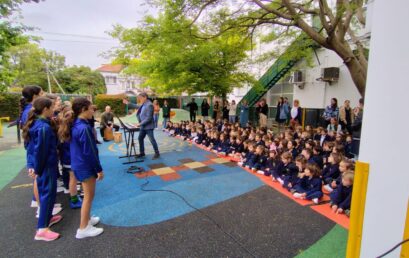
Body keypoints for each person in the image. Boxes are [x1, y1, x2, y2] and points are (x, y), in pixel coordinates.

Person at [59, 97, 104, 239]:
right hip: (85, 166)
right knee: (89, 197)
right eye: (91, 109)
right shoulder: (83, 128)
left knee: (87, 196)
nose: (93, 111)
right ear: (84, 110)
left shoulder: (77, 124)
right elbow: (89, 151)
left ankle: (87, 220)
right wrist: (98, 169)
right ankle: (83, 228)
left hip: (79, 164)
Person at [24, 97, 62, 241]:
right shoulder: (44, 127)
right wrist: (37, 169)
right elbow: (41, 151)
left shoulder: (35, 123)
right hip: (46, 167)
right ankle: (42, 230)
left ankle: (48, 218)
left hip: (41, 166)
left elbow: (30, 147)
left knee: (47, 193)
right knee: (48, 194)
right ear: (45, 109)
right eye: (52, 107)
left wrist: (31, 165)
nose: (54, 110)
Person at [123, 93, 160, 159]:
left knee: (152, 140)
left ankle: (157, 153)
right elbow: (137, 106)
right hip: (143, 126)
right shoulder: (144, 104)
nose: (139, 99)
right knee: (140, 138)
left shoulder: (149, 105)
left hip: (148, 126)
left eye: (140, 98)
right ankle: (142, 153)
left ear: (145, 97)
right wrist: (128, 103)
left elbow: (149, 118)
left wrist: (139, 124)